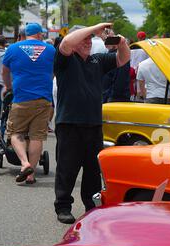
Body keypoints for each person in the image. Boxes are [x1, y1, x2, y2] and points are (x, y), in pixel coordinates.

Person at [53, 22, 130, 224]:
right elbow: (67, 42)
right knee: (67, 168)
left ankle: (91, 206)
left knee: (93, 169)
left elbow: (123, 59)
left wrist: (121, 42)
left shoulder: (97, 60)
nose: (88, 42)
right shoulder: (65, 59)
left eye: (90, 40)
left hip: (93, 123)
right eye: (84, 39)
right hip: (69, 122)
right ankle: (63, 206)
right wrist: (95, 28)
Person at [2, 23, 55, 185]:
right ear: (39, 35)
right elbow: (54, 72)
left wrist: (8, 87)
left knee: (15, 133)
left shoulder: (12, 49)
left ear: (25, 34)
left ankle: (24, 164)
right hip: (44, 99)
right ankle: (31, 174)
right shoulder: (51, 50)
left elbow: (5, 72)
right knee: (36, 136)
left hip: (21, 98)